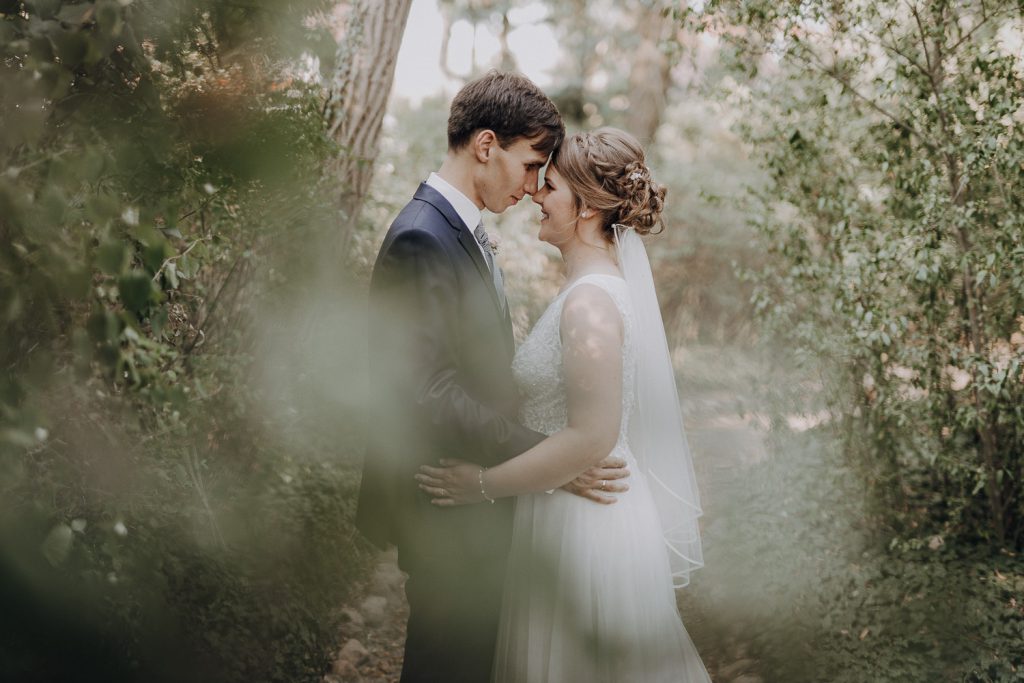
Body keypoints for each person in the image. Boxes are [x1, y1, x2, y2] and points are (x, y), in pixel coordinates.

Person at [355, 72, 629, 683]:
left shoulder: (460, 231)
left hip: (477, 505)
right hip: (445, 508)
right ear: (486, 145)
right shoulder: (422, 238)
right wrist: (556, 458)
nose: (535, 186)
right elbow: (428, 389)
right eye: (532, 165)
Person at [417, 128, 712, 682]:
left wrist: (478, 484)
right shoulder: (588, 291)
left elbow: (590, 439)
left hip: (588, 531)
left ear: (586, 208)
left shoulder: (592, 305)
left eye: (548, 186)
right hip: (561, 511)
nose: (535, 195)